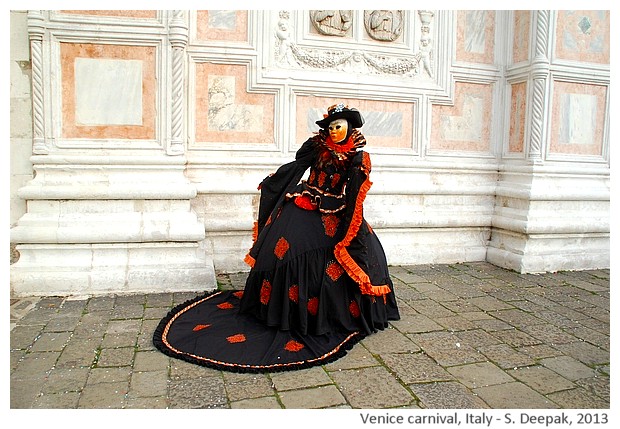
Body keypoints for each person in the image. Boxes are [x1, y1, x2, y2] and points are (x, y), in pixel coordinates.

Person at [154, 103, 399, 373]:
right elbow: (299, 160)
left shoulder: (357, 158)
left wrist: (350, 232)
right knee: (283, 247)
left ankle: (321, 314)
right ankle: (280, 308)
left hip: (334, 211)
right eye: (330, 127)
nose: (333, 131)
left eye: (338, 126)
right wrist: (292, 166)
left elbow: (353, 196)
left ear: (350, 128)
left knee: (336, 257)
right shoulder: (318, 147)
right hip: (304, 201)